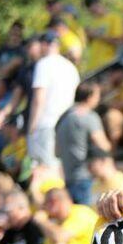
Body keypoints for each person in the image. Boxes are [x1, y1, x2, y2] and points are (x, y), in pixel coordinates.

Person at [27, 32, 80, 170]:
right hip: (65, 124)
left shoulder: (43, 64)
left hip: (46, 124)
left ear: (44, 45)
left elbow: (39, 98)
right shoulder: (71, 67)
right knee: (58, 167)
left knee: (43, 168)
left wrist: (32, 127)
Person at [54, 82, 112, 207]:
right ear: (89, 97)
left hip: (68, 178)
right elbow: (103, 145)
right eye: (97, 95)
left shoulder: (63, 118)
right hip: (86, 177)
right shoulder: (88, 116)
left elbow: (56, 152)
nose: (98, 99)